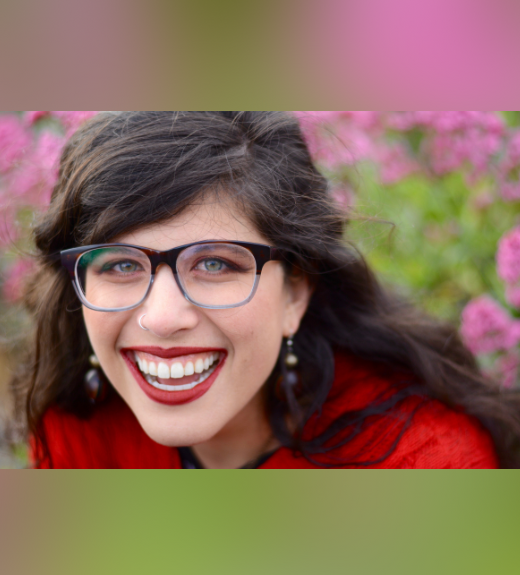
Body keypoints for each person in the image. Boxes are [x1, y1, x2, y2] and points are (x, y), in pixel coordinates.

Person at [10, 111, 520, 469]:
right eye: (119, 265)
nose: (162, 318)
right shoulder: (75, 431)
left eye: (214, 263)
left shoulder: (422, 463)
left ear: (295, 293)